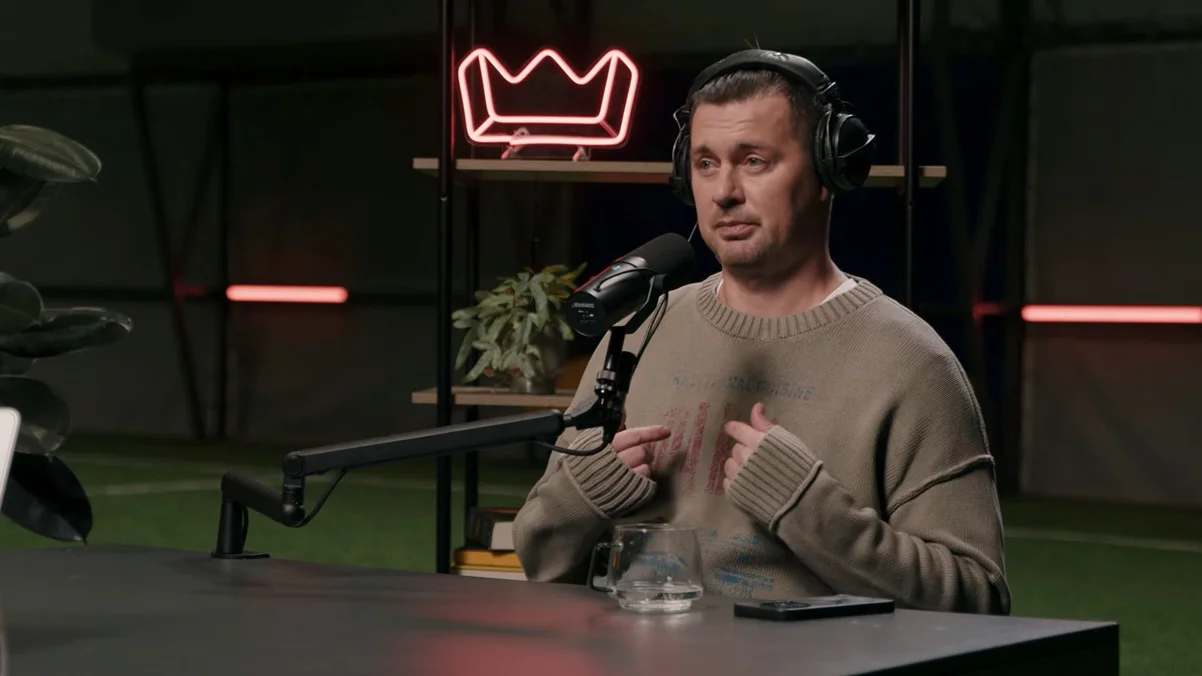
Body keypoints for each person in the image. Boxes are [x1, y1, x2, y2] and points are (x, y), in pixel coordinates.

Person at [511, 49, 1011, 615]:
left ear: (827, 172)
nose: (724, 191)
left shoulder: (911, 363)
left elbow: (977, 599)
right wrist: (584, 495)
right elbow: (540, 560)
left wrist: (811, 510)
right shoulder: (640, 331)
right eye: (705, 163)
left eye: (754, 161)